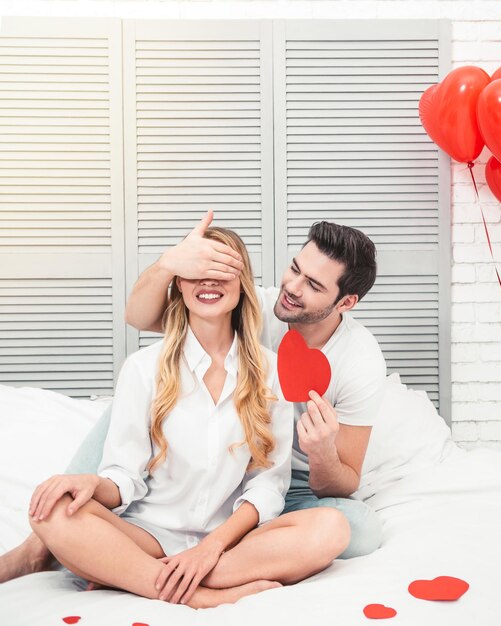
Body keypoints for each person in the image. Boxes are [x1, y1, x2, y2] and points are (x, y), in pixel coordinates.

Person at [0, 212, 386, 587]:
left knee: (357, 529)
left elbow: (341, 479)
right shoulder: (254, 305)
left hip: (289, 483)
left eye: (313, 285)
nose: (293, 287)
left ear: (345, 302)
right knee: (111, 429)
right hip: (164, 508)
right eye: (294, 268)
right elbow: (138, 315)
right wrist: (170, 262)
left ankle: (129, 568)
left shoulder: (355, 361)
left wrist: (320, 452)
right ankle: (47, 548)